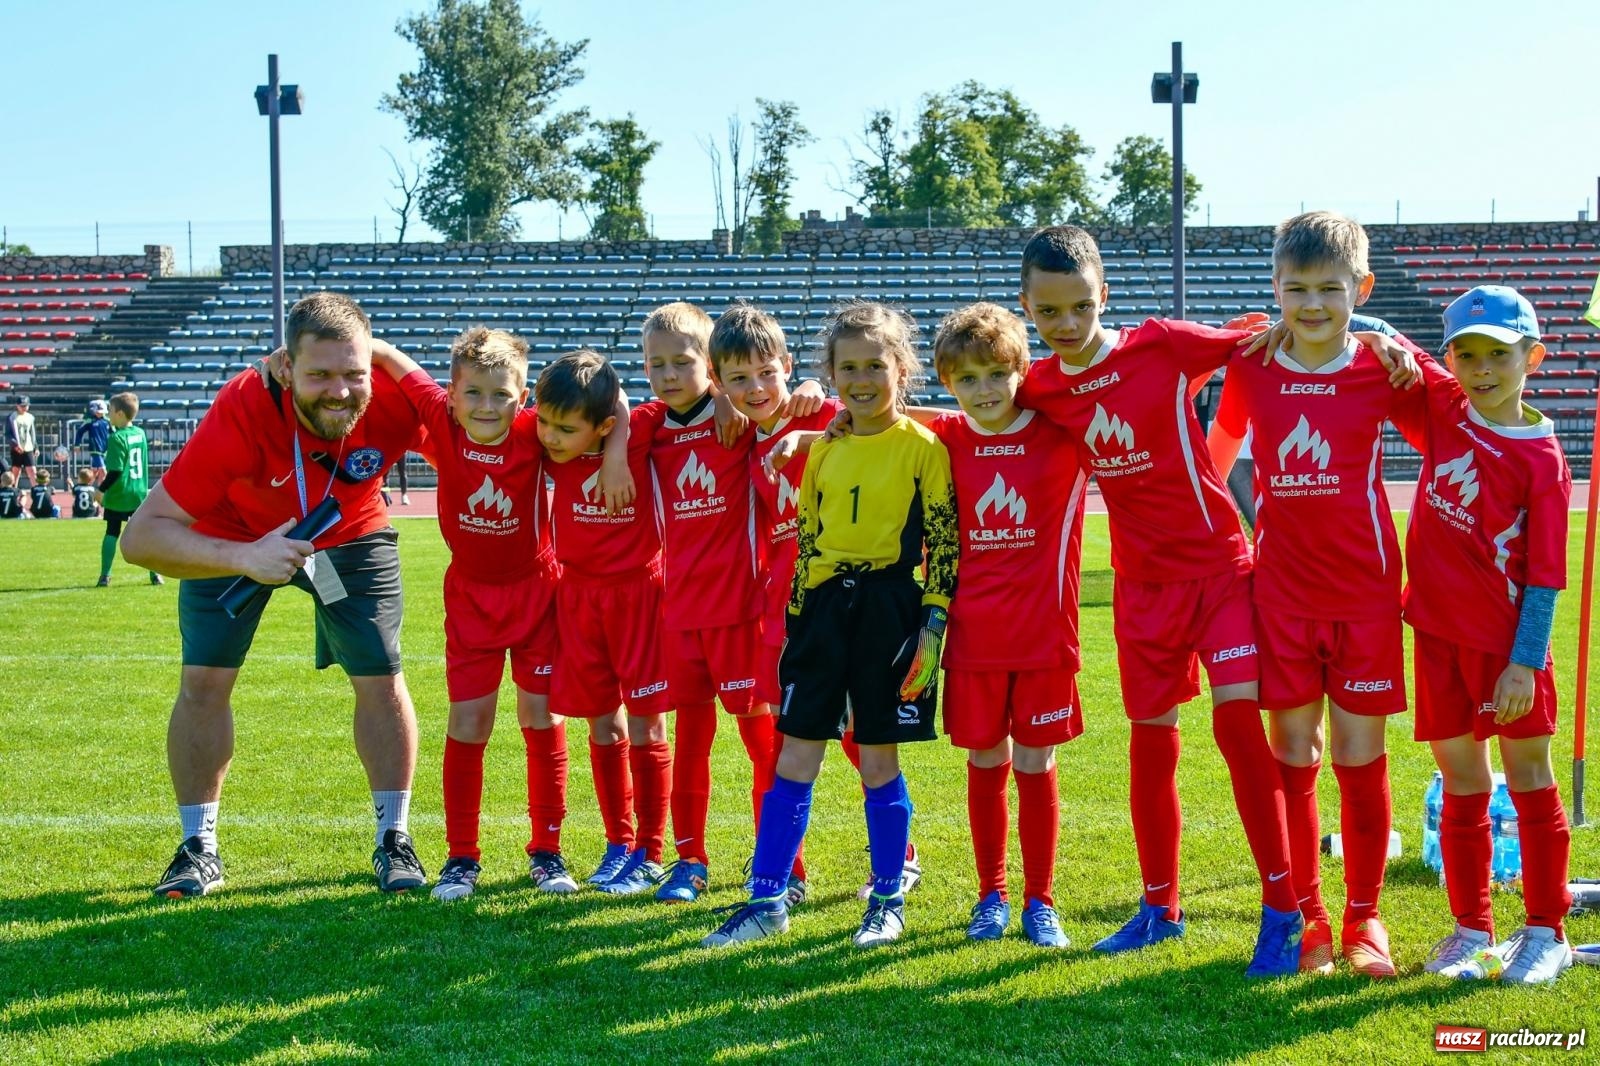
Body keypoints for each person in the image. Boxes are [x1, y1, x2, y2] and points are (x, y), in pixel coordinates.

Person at [1012, 225, 1305, 977]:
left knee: (1241, 725)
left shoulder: (1166, 346)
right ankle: (1159, 909)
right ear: (1028, 310)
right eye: (1049, 313)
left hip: (1217, 571)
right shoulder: (1040, 388)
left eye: (1080, 306)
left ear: (1103, 296)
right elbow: (964, 409)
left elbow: (1272, 335)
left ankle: (1282, 913)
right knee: (1151, 743)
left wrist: (1377, 344)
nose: (1067, 325)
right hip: (1142, 591)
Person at [121, 291, 428, 898]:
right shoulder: (242, 410)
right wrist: (245, 557)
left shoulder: (395, 400)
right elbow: (141, 537)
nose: (339, 391)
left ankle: (394, 838)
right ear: (286, 367)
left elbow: (489, 430)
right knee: (203, 682)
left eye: (353, 372)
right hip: (235, 536)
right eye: (319, 375)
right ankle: (196, 846)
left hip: (348, 533)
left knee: (381, 675)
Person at [1207, 211, 1425, 977]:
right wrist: (1233, 526)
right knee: (1292, 754)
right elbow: (1217, 455)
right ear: (1275, 289)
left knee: (1361, 758)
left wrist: (1396, 344)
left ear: (1358, 290)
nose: (1311, 305)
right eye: (1295, 288)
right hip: (1283, 599)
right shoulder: (1254, 367)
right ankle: (1311, 918)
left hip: (1365, 597)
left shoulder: (1383, 369)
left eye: (1330, 289)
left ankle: (1366, 918)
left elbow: (1449, 436)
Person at [702, 300, 957, 949]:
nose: (863, 378)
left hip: (890, 610)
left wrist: (931, 630)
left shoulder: (924, 449)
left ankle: (888, 898)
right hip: (818, 615)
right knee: (794, 755)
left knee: (875, 759)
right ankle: (766, 901)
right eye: (850, 368)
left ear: (902, 369)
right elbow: (810, 542)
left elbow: (945, 544)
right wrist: (796, 623)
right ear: (833, 374)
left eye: (877, 364)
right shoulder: (826, 447)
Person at [366, 330, 625, 902]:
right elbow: (387, 355)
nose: (487, 406)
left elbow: (612, 400)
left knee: (541, 720)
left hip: (538, 594)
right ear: (452, 393)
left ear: (524, 395)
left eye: (501, 395)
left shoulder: (537, 430)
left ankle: (547, 851)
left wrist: (618, 451)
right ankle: (461, 857)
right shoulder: (439, 417)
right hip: (472, 600)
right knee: (469, 724)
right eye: (474, 393)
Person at [1405, 286, 1575, 985]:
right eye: (1466, 354)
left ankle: (1546, 932)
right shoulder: (1446, 408)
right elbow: (1391, 347)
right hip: (1436, 638)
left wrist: (1522, 666)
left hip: (1507, 654)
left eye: (1498, 355)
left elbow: (1543, 581)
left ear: (1530, 358)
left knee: (1530, 779)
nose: (1481, 369)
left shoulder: (1543, 461)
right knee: (1462, 783)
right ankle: (1472, 928)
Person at [638, 301, 825, 904]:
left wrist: (807, 389)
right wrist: (617, 452)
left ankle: (784, 866)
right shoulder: (648, 430)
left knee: (763, 744)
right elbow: (614, 415)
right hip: (679, 615)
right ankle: (688, 860)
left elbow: (795, 398)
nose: (669, 374)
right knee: (690, 742)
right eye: (656, 364)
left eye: (682, 361)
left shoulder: (744, 425)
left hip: (745, 614)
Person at [925, 303, 1087, 948]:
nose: (984, 391)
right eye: (967, 380)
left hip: (1046, 637)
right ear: (948, 384)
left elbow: (1129, 388)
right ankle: (990, 895)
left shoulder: (1062, 433)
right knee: (985, 759)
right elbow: (875, 417)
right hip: (971, 641)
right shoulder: (944, 440)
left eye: (997, 373)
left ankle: (1039, 900)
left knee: (1036, 762)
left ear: (1021, 368)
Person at [536, 350, 672, 895]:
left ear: (606, 425)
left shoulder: (636, 433)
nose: (550, 435)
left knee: (646, 723)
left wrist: (617, 451)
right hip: (578, 596)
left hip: (640, 593)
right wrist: (601, 446)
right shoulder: (548, 447)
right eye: (546, 422)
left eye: (565, 428)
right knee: (601, 722)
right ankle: (619, 842)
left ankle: (652, 850)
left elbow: (635, 402)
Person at [96, 392, 161, 586]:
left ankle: (105, 576)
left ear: (120, 414)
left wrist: (100, 490)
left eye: (110, 411)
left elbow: (115, 471)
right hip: (139, 492)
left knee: (112, 531)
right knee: (147, 533)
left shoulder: (117, 438)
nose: (108, 415)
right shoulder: (140, 434)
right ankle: (155, 573)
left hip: (120, 493)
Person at [75, 399, 110, 485]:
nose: (100, 413)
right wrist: (77, 445)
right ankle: (103, 490)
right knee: (103, 470)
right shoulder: (90, 421)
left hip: (105, 449)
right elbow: (80, 431)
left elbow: (115, 433)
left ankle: (88, 487)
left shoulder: (108, 421)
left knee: (94, 471)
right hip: (95, 448)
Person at [7, 395, 37, 486]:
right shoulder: (12, 417)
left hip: (28, 447)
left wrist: (36, 447)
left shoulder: (30, 417)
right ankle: (13, 492)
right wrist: (15, 445)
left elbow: (32, 433)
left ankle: (36, 490)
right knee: (16, 471)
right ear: (17, 406)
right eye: (22, 406)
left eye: (26, 406)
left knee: (32, 470)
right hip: (17, 449)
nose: (24, 408)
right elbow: (8, 434)